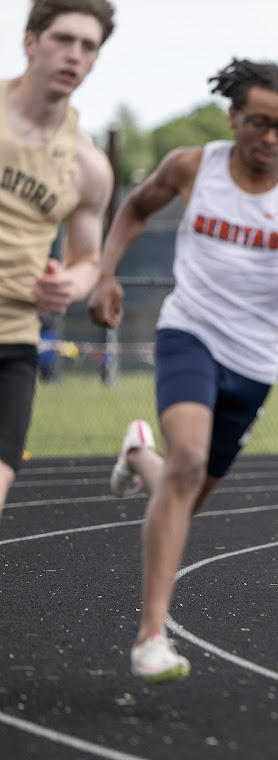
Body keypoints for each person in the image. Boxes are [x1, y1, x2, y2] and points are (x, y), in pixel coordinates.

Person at [87, 59, 278, 682]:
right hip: (190, 331)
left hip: (257, 361)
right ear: (234, 117)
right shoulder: (195, 166)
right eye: (260, 123)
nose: (271, 138)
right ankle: (152, 636)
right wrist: (106, 273)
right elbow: (133, 208)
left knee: (184, 494)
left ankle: (138, 457)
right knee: (186, 463)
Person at [0, 0, 115, 521]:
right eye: (62, 40)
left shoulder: (87, 164)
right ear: (30, 41)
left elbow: (87, 259)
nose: (74, 55)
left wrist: (67, 285)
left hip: (14, 339)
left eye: (87, 46)